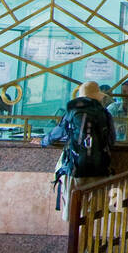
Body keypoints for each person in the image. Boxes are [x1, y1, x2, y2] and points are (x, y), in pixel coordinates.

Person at [33, 80, 116, 220]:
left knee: (72, 208)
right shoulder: (105, 113)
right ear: (97, 96)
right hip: (100, 168)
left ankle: (73, 236)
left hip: (76, 167)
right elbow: (112, 140)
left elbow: (57, 133)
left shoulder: (72, 112)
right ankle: (87, 239)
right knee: (94, 211)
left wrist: (42, 141)